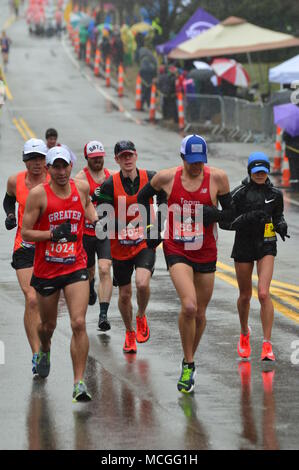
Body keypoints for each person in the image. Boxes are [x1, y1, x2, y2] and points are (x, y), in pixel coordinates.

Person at [138, 135, 235, 393]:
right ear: (182, 158)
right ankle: (189, 363)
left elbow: (231, 216)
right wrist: (152, 225)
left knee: (200, 313)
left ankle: (188, 360)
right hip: (177, 247)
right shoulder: (166, 178)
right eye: (192, 162)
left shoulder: (218, 179)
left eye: (200, 161)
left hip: (205, 250)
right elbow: (141, 198)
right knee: (189, 305)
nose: (196, 166)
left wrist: (215, 214)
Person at [21, 146, 99, 402]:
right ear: (48, 169)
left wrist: (97, 221)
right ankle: (44, 349)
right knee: (48, 326)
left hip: (75, 265)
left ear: (71, 166)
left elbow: (88, 209)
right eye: (56, 166)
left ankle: (78, 383)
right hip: (47, 270)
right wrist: (52, 235)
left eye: (65, 166)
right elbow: (26, 233)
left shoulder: (82, 188)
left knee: (78, 322)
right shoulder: (38, 195)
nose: (62, 171)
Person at [93, 140, 166, 354]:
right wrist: (128, 224)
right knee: (124, 294)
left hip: (144, 242)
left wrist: (157, 226)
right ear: (116, 159)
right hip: (120, 245)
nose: (127, 159)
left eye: (130, 155)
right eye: (122, 156)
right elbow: (102, 219)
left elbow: (164, 196)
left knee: (142, 284)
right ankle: (129, 332)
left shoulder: (150, 177)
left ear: (136, 156)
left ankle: (141, 315)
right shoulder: (109, 184)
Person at [220, 152, 289, 362]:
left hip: (266, 244)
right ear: (250, 171)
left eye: (264, 171)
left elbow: (278, 215)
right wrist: (247, 218)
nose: (260, 175)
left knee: (263, 294)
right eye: (256, 171)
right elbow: (225, 222)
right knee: (245, 295)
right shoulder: (239, 193)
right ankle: (244, 333)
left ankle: (267, 344)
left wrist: (280, 225)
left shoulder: (275, 194)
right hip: (244, 245)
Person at [3, 138, 49, 376]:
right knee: (31, 298)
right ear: (25, 161)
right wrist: (10, 215)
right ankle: (36, 354)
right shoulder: (16, 181)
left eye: (40, 158)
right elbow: (9, 198)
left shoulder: (55, 179)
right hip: (25, 246)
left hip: (51, 246)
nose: (36, 163)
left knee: (44, 300)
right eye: (32, 159)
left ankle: (45, 343)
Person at [75, 141, 115, 331]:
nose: (98, 160)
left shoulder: (111, 177)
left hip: (105, 232)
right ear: (87, 159)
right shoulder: (80, 179)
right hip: (86, 233)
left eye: (100, 157)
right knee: (90, 271)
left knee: (105, 269)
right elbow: (75, 205)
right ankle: (90, 287)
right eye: (94, 158)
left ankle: (103, 315)